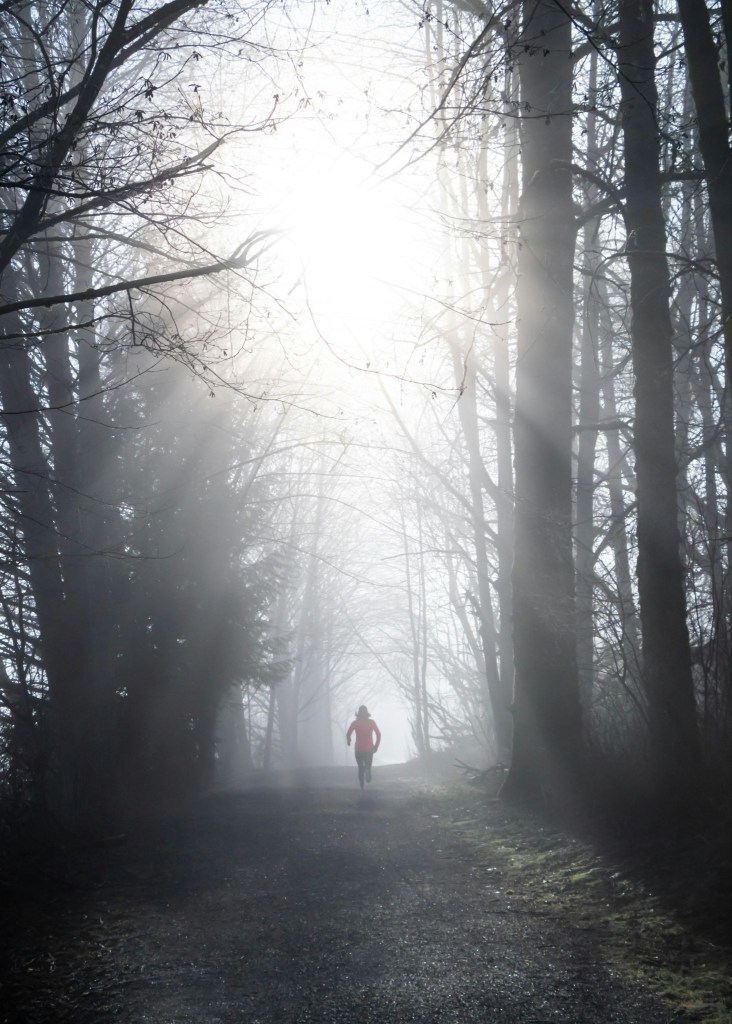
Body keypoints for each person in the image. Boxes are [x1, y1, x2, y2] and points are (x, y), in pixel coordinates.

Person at [346, 705, 381, 790]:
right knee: (368, 765)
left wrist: (349, 741)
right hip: (369, 748)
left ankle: (362, 787)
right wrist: (376, 746)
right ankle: (368, 771)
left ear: (358, 714)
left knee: (360, 767)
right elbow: (378, 734)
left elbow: (348, 734)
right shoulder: (372, 722)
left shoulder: (355, 723)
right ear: (367, 713)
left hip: (358, 749)